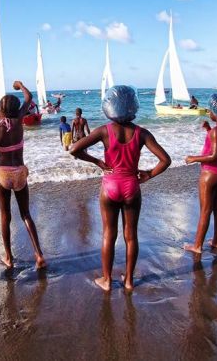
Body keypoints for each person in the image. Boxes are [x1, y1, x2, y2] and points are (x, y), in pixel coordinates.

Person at [69, 86, 171, 291]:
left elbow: (74, 149)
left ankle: (106, 280)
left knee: (109, 234)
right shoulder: (142, 133)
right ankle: (129, 281)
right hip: (131, 187)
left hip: (110, 186)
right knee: (131, 236)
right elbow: (165, 160)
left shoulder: (104, 131)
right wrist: (149, 174)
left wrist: (97, 161)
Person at [0, 80, 46, 270]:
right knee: (26, 214)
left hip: (3, 175)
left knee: (5, 216)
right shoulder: (19, 121)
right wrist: (20, 85)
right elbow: (29, 98)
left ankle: (9, 258)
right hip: (20, 173)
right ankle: (39, 255)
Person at [183, 94, 217, 254]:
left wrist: (194, 158)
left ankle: (197, 246)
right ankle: (216, 241)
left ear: (216, 112)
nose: (209, 113)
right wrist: (208, 129)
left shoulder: (216, 131)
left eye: (210, 111)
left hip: (210, 173)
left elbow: (213, 155)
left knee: (205, 210)